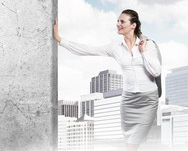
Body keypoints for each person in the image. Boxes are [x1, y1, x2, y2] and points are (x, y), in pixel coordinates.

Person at [53, 9, 161, 151]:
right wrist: (60, 40)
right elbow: (87, 50)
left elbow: (155, 71)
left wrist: (144, 52)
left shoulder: (148, 45)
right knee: (130, 142)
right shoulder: (115, 48)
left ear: (133, 25)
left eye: (122, 21)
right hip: (128, 100)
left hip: (148, 99)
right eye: (117, 21)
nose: (118, 24)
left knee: (139, 139)